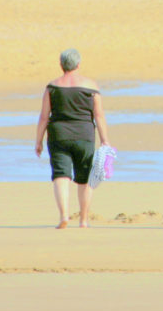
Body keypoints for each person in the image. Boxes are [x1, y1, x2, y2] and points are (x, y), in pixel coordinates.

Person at [35, 49, 111, 229]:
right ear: (78, 64)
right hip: (84, 136)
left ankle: (64, 216)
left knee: (61, 175)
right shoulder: (91, 86)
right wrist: (104, 140)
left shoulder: (52, 87)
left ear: (61, 65)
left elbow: (44, 117)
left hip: (59, 135)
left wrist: (38, 140)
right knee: (84, 179)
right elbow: (99, 115)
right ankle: (84, 220)